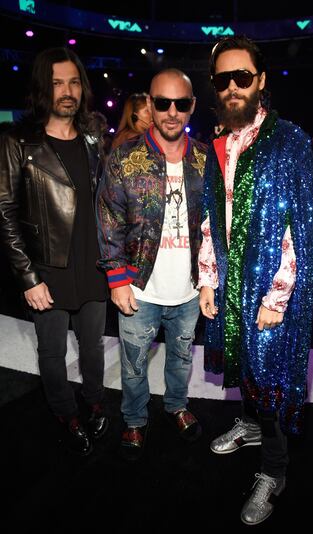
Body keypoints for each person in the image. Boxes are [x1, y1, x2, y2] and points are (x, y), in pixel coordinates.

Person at [198, 35, 313, 525]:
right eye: (223, 80)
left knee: (270, 376)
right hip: (231, 285)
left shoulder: (290, 141)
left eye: (241, 77)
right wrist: (207, 279)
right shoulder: (218, 145)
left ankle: (275, 470)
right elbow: (211, 218)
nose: (232, 88)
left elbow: (298, 228)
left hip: (270, 291)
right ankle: (247, 424)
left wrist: (279, 296)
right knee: (243, 363)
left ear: (261, 81)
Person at [0, 47, 109, 456]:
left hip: (94, 266)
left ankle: (95, 400)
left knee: (94, 347)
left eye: (74, 82)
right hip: (47, 269)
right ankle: (66, 412)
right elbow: (4, 212)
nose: (67, 91)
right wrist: (28, 278)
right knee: (52, 351)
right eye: (58, 83)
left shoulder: (93, 139)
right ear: (43, 87)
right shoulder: (18, 142)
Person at [96, 68, 207, 461]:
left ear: (192, 106)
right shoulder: (126, 157)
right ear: (150, 106)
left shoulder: (205, 159)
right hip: (140, 288)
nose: (171, 112)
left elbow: (213, 225)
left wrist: (209, 280)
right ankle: (135, 420)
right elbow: (108, 216)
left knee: (180, 359)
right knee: (133, 365)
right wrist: (117, 278)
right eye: (162, 103)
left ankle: (176, 406)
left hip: (190, 290)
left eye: (180, 103)